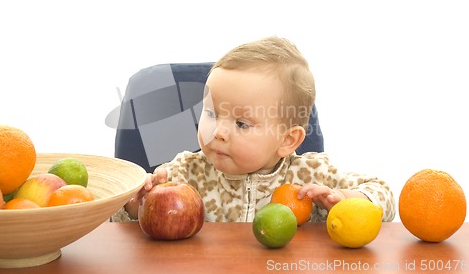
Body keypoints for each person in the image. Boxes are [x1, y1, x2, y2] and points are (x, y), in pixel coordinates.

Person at [112, 36, 396, 223]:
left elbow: (383, 195)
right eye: (212, 113)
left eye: (241, 123)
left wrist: (346, 201)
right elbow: (118, 230)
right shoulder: (186, 173)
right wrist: (135, 207)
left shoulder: (310, 175)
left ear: (287, 140)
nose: (218, 132)